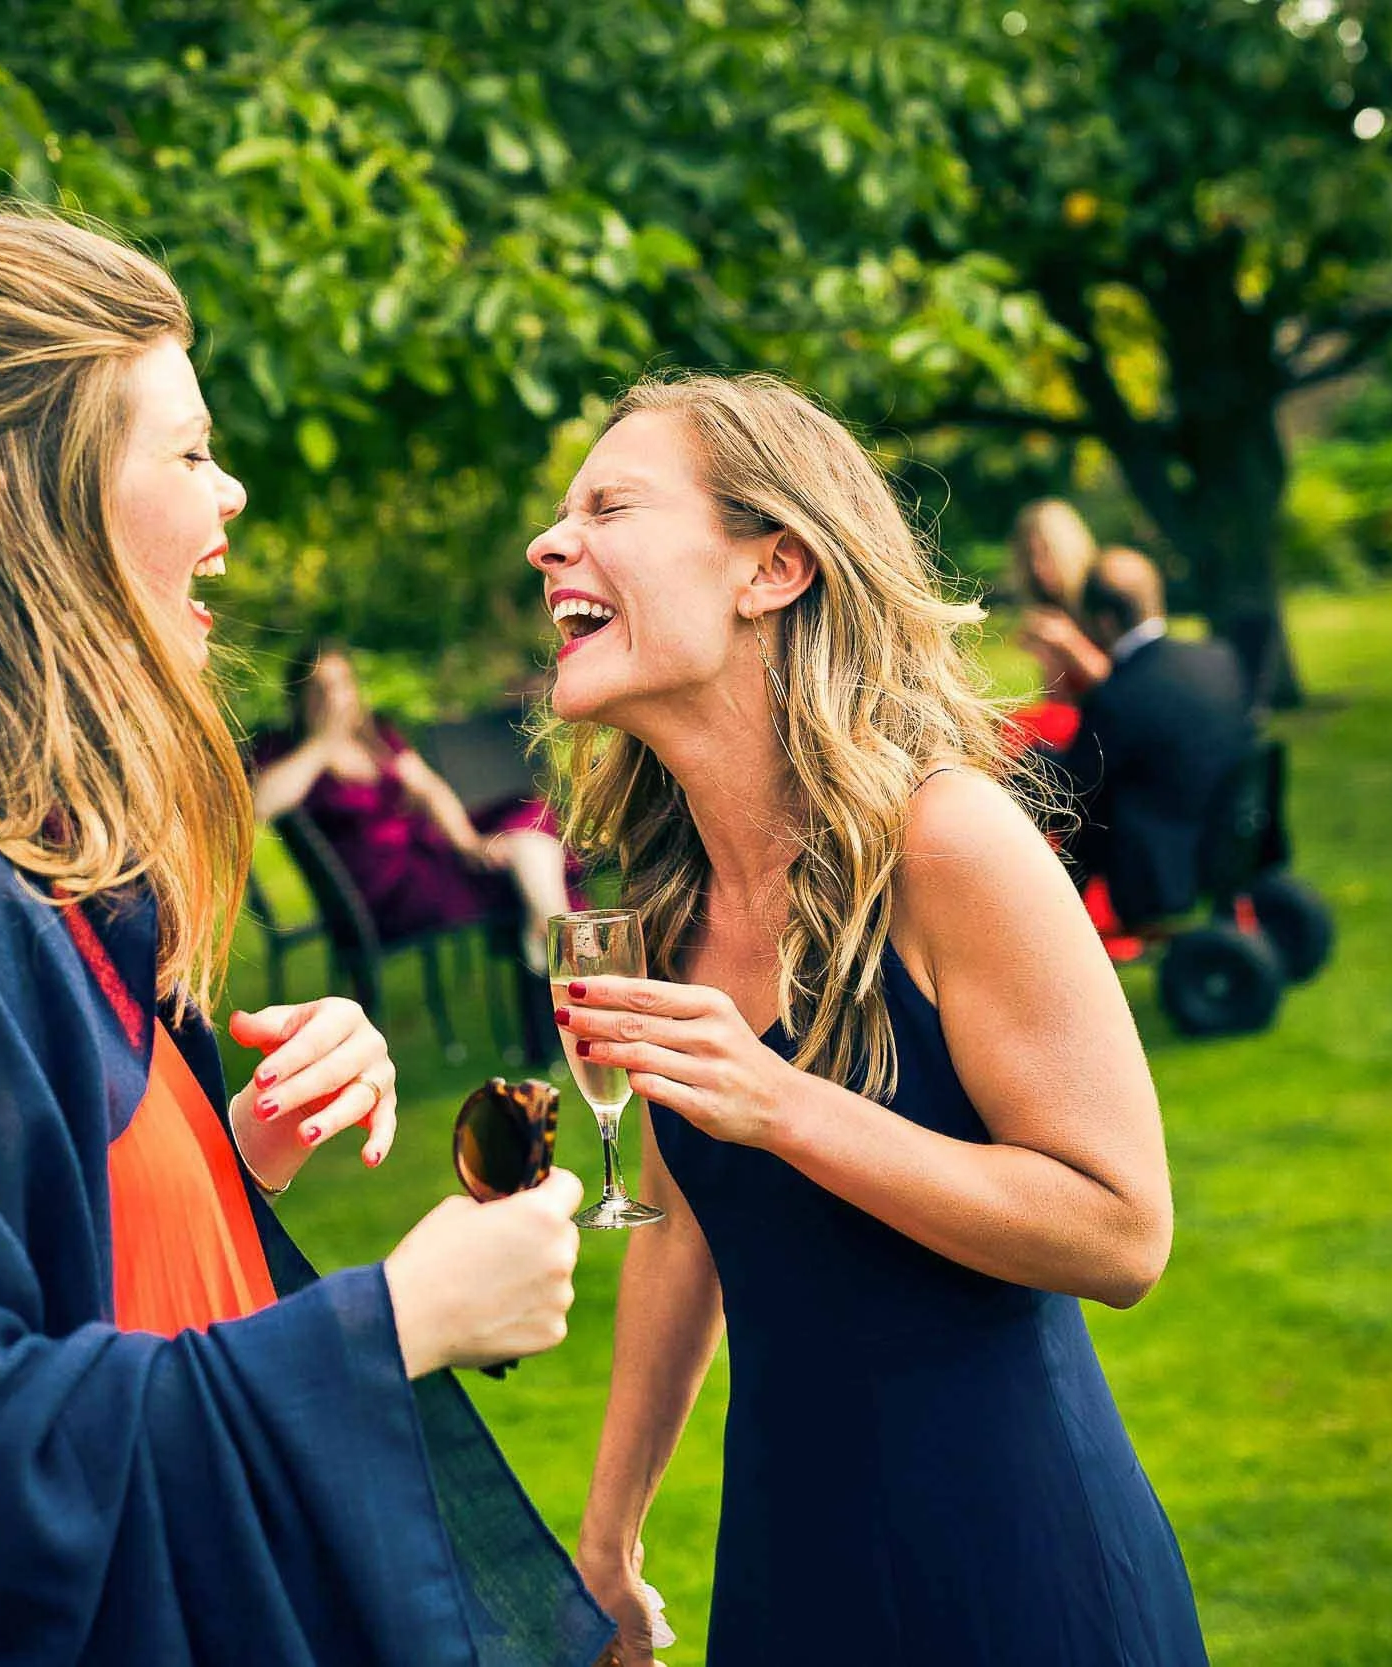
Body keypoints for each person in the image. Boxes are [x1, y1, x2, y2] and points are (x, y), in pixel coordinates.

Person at [0, 208, 611, 1667]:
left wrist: (213, 1161)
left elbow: (64, 1283)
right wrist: (391, 1321)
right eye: (186, 450)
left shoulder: (22, 857)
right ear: (29, 501)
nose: (229, 491)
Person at [533, 373, 1206, 1664]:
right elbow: (683, 1229)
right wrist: (608, 1537)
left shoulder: (950, 842)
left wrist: (784, 1103)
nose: (552, 542)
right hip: (792, 1564)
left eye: (610, 504)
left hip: (1018, 1567)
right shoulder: (668, 898)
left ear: (773, 567)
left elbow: (1124, 1228)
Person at [248, 641, 578, 974]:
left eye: (342, 683)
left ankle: (550, 934)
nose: (334, 697)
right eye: (320, 689)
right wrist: (322, 740)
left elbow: (430, 789)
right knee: (524, 871)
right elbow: (261, 804)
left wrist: (467, 843)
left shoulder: (375, 735)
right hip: (386, 891)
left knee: (526, 816)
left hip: (426, 853)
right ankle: (562, 945)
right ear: (299, 698)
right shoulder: (284, 748)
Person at [1040, 547, 1258, 925]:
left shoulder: (1119, 694)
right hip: (1227, 838)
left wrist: (1029, 760)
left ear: (1104, 622)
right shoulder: (1218, 660)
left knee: (1083, 812)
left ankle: (1051, 922)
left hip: (1155, 868)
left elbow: (1075, 785)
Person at [1007, 496, 1104, 747]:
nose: (1038, 568)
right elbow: (1059, 706)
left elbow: (1128, 687)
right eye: (1030, 557)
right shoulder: (1049, 609)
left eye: (1046, 554)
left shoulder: (1102, 598)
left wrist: (1069, 643)